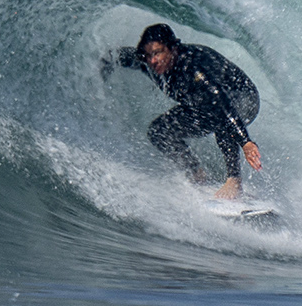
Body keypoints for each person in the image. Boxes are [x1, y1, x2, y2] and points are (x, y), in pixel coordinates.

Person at [102, 23, 262, 200]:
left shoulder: (193, 67)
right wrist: (103, 68)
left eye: (158, 52)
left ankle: (234, 180)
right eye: (148, 55)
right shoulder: (150, 63)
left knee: (218, 116)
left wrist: (245, 142)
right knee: (159, 131)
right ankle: (196, 173)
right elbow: (121, 56)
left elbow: (222, 104)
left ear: (173, 48)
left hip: (243, 98)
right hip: (204, 105)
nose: (153, 60)